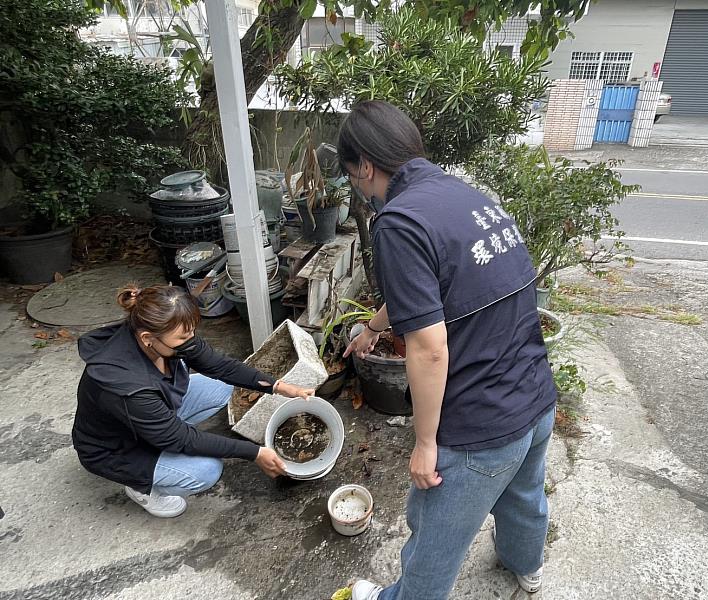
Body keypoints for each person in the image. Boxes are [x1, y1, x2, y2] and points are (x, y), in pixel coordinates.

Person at [340, 101, 557, 600]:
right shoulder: (464, 195)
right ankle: (526, 568)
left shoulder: (397, 222)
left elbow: (430, 347)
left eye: (353, 176)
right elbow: (426, 294)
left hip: (481, 424)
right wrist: (372, 328)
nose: (357, 187)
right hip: (535, 395)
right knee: (525, 497)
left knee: (435, 541)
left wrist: (424, 443)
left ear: (366, 167)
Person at [72, 284, 314, 518]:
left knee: (221, 387)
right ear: (148, 338)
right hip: (116, 449)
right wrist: (255, 452)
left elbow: (220, 366)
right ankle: (139, 486)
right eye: (182, 337)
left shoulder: (162, 334)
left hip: (147, 417)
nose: (191, 341)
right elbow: (182, 439)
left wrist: (279, 386)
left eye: (191, 332)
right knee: (206, 471)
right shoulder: (127, 386)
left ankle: (160, 430)